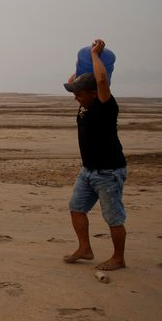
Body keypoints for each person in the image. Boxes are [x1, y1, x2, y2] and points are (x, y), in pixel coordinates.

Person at [63, 39, 127, 271]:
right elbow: (72, 82)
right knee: (76, 207)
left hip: (109, 171)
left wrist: (94, 54)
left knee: (113, 218)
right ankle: (85, 249)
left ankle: (118, 258)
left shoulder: (105, 106)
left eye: (79, 93)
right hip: (88, 170)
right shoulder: (85, 103)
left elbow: (101, 80)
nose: (75, 97)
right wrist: (84, 65)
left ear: (93, 93)